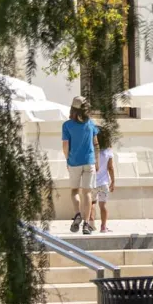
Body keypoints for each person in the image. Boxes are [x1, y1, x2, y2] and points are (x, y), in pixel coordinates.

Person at [61, 97, 100, 234]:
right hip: (89, 161)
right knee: (87, 192)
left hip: (74, 162)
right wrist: (97, 162)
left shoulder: (67, 125)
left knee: (74, 191)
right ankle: (86, 223)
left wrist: (68, 160)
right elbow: (96, 144)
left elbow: (65, 146)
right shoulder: (91, 124)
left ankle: (77, 214)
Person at [91, 128, 117, 233]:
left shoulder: (92, 151)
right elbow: (110, 168)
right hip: (104, 183)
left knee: (91, 203)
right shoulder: (108, 152)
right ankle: (103, 226)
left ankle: (91, 223)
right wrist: (113, 181)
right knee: (103, 206)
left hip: (92, 182)